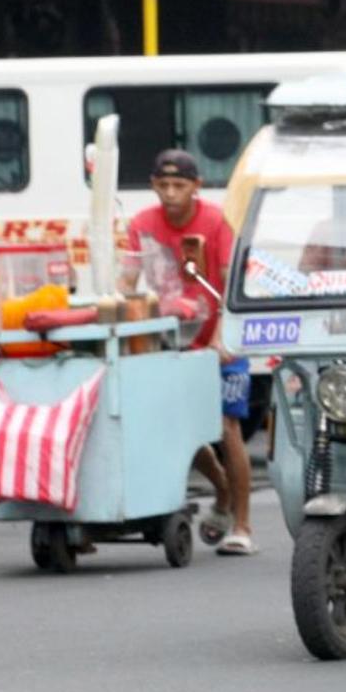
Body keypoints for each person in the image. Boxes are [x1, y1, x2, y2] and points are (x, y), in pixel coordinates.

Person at [122, 149, 255, 554]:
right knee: (182, 428)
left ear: (196, 187)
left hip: (221, 337)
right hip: (172, 339)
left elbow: (233, 287)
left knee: (227, 427)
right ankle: (222, 493)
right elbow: (126, 283)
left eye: (179, 185)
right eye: (162, 185)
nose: (170, 193)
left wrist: (221, 339)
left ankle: (244, 526)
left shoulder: (215, 222)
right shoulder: (141, 225)